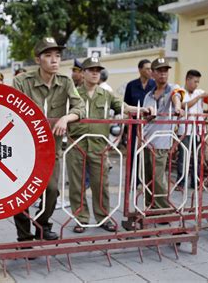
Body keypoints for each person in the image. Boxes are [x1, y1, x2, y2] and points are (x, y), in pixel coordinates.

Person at [12, 37, 85, 241]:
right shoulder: (22, 81)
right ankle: (24, 235)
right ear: (38, 60)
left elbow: (79, 107)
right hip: (24, 149)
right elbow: (14, 110)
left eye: (58, 56)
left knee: (52, 190)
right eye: (48, 56)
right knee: (22, 195)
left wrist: (65, 118)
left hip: (50, 148)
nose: (54, 60)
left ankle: (42, 224)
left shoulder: (65, 82)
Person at [67, 57, 151, 233]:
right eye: (91, 70)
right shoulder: (73, 93)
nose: (95, 73)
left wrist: (141, 110)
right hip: (77, 144)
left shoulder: (106, 95)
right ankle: (81, 218)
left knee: (101, 184)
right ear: (83, 73)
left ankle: (103, 217)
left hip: (99, 145)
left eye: (98, 70)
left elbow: (123, 106)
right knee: (77, 185)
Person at [142, 57, 183, 211]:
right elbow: (144, 116)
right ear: (152, 73)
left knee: (158, 177)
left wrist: (178, 108)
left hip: (161, 141)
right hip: (146, 140)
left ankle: (163, 209)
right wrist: (147, 116)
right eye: (159, 71)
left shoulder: (172, 89)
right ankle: (150, 206)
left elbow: (177, 97)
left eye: (165, 71)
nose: (163, 74)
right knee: (147, 177)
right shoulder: (149, 95)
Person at [123, 59, 155, 186]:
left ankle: (148, 181)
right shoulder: (131, 85)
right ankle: (133, 180)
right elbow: (126, 105)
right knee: (133, 152)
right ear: (140, 69)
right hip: (135, 123)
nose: (150, 71)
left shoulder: (154, 85)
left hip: (150, 124)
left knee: (149, 153)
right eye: (147, 68)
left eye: (151, 69)